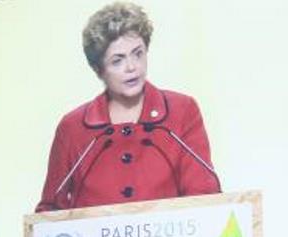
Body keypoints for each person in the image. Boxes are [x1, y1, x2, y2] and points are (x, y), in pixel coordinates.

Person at [36, 2, 219, 213]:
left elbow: (204, 195)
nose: (132, 67)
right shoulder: (72, 127)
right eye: (117, 60)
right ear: (99, 70)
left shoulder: (183, 110)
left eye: (138, 53)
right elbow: (50, 211)